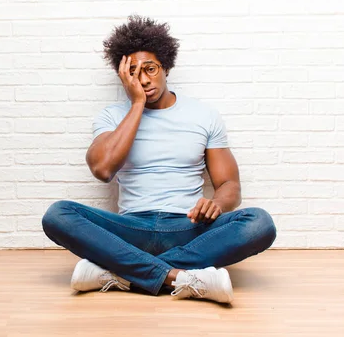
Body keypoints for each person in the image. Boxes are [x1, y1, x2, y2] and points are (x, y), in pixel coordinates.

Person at [41, 15, 277, 304]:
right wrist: (137, 103)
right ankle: (179, 277)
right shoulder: (112, 116)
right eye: (133, 73)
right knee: (57, 215)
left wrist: (216, 204)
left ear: (165, 67)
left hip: (188, 228)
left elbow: (229, 183)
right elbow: (102, 169)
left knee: (259, 223)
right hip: (131, 230)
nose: (143, 80)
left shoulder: (203, 115)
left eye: (150, 69)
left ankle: (123, 272)